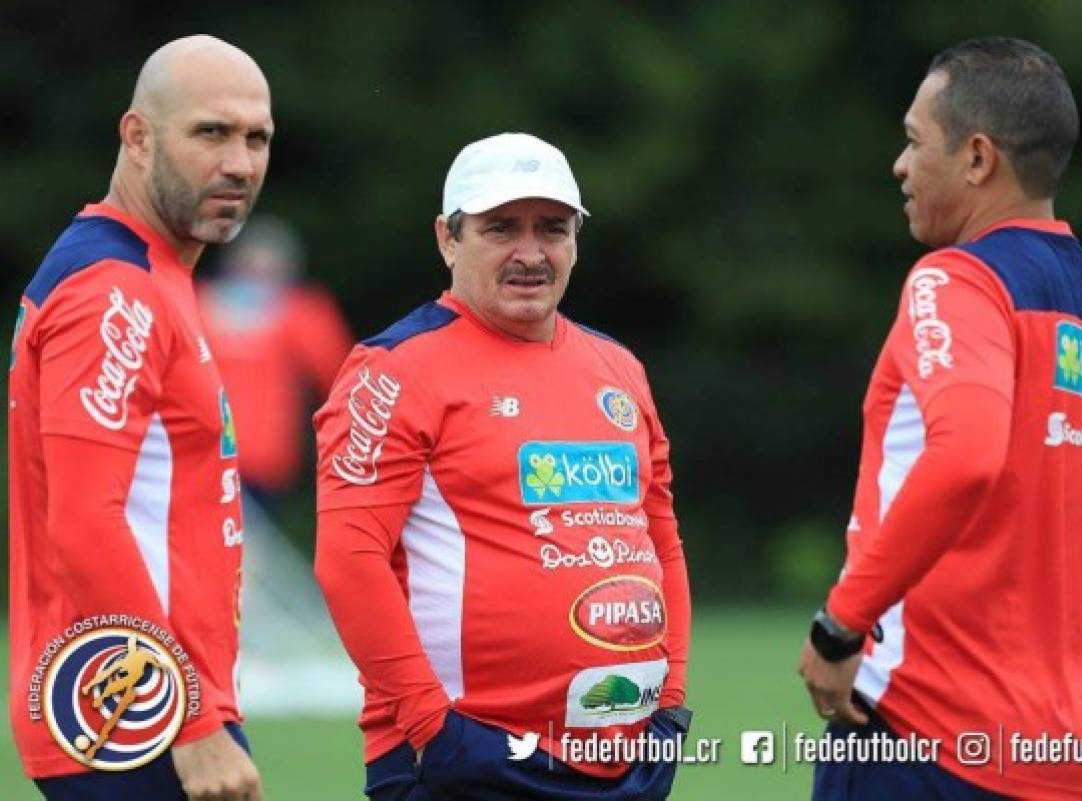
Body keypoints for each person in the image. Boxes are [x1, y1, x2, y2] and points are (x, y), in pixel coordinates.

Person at [798, 37, 1082, 800]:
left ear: (978, 158)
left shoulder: (953, 283)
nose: (900, 165)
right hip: (1057, 756)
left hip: (919, 739)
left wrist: (841, 624)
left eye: (916, 142)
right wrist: (1067, 655)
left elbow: (967, 453)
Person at [314, 132, 692, 801]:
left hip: (625, 754)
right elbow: (349, 556)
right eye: (500, 228)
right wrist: (432, 725)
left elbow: (661, 537)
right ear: (447, 238)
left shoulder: (618, 366)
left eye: (552, 228)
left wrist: (671, 704)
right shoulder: (395, 367)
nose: (530, 253)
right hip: (470, 758)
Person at [8, 35, 272, 801]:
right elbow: (84, 520)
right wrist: (188, 722)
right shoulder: (112, 290)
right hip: (131, 715)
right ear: (137, 136)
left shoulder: (151, 272)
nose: (240, 163)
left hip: (138, 704)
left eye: (256, 138)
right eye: (211, 132)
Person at [199, 216, 353, 505]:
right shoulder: (198, 302)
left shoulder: (302, 311)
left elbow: (341, 381)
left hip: (262, 463)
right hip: (202, 454)